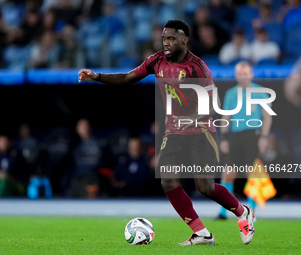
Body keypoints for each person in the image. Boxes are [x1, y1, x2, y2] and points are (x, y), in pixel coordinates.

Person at [79, 20, 255, 245]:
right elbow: (126, 78)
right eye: (164, 39)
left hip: (202, 132)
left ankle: (243, 213)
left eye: (171, 38)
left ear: (184, 39)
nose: (166, 43)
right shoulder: (156, 61)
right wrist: (97, 76)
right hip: (174, 134)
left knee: (205, 187)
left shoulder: (197, 67)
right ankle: (200, 232)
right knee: (168, 181)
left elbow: (213, 104)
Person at [216, 61, 272, 220]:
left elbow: (267, 117)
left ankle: (251, 212)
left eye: (246, 73)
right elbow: (226, 116)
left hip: (253, 134)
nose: (244, 76)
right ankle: (223, 212)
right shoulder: (231, 93)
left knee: (252, 172)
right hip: (237, 134)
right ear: (236, 76)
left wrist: (264, 137)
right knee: (228, 173)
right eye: (241, 73)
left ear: (251, 74)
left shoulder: (261, 92)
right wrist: (224, 138)